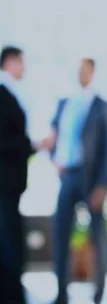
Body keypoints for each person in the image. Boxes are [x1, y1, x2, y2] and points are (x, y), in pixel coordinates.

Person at [49, 58, 107, 304]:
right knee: (60, 234)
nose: (81, 74)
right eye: (78, 69)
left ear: (93, 73)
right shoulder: (64, 102)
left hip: (92, 180)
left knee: (98, 238)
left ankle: (99, 295)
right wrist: (54, 158)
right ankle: (61, 294)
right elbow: (54, 136)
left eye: (85, 70)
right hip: (67, 175)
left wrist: (101, 185)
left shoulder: (103, 106)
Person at [0, 45, 51, 304]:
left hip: (10, 185)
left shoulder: (10, 94)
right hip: (4, 185)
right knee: (9, 245)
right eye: (22, 62)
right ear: (10, 61)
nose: (25, 68)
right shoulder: (2, 94)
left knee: (10, 243)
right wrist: (32, 144)